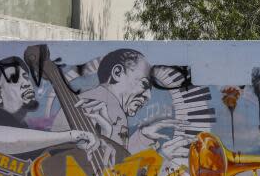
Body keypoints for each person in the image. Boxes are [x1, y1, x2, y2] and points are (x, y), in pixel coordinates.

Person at [51, 48, 186, 160]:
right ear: (117, 73)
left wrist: (143, 137)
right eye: (144, 84)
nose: (148, 96)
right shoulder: (95, 109)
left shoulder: (110, 107)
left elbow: (121, 158)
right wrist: (160, 159)